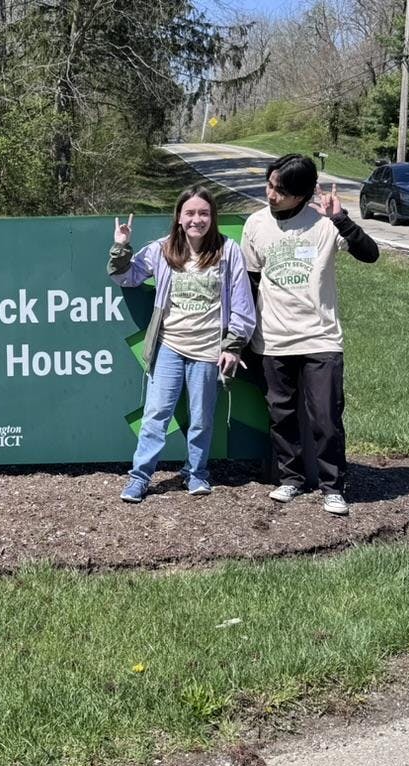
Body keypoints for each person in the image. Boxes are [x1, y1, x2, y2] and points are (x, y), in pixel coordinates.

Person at [241, 153, 379, 516]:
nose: (271, 195)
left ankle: (334, 487)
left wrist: (341, 219)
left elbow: (370, 254)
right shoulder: (255, 224)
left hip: (320, 336)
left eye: (281, 191)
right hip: (272, 338)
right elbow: (251, 283)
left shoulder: (325, 224)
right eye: (270, 185)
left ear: (302, 195)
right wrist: (244, 337)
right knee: (281, 415)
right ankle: (291, 478)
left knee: (326, 417)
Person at [108, 185, 256, 503]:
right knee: (156, 416)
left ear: (212, 217)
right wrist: (121, 247)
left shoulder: (228, 251)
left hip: (208, 351)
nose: (196, 219)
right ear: (178, 217)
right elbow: (125, 277)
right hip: (169, 347)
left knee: (202, 418)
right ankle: (139, 477)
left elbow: (243, 304)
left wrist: (232, 346)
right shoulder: (163, 249)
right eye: (189, 213)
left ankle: (196, 473)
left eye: (203, 213)